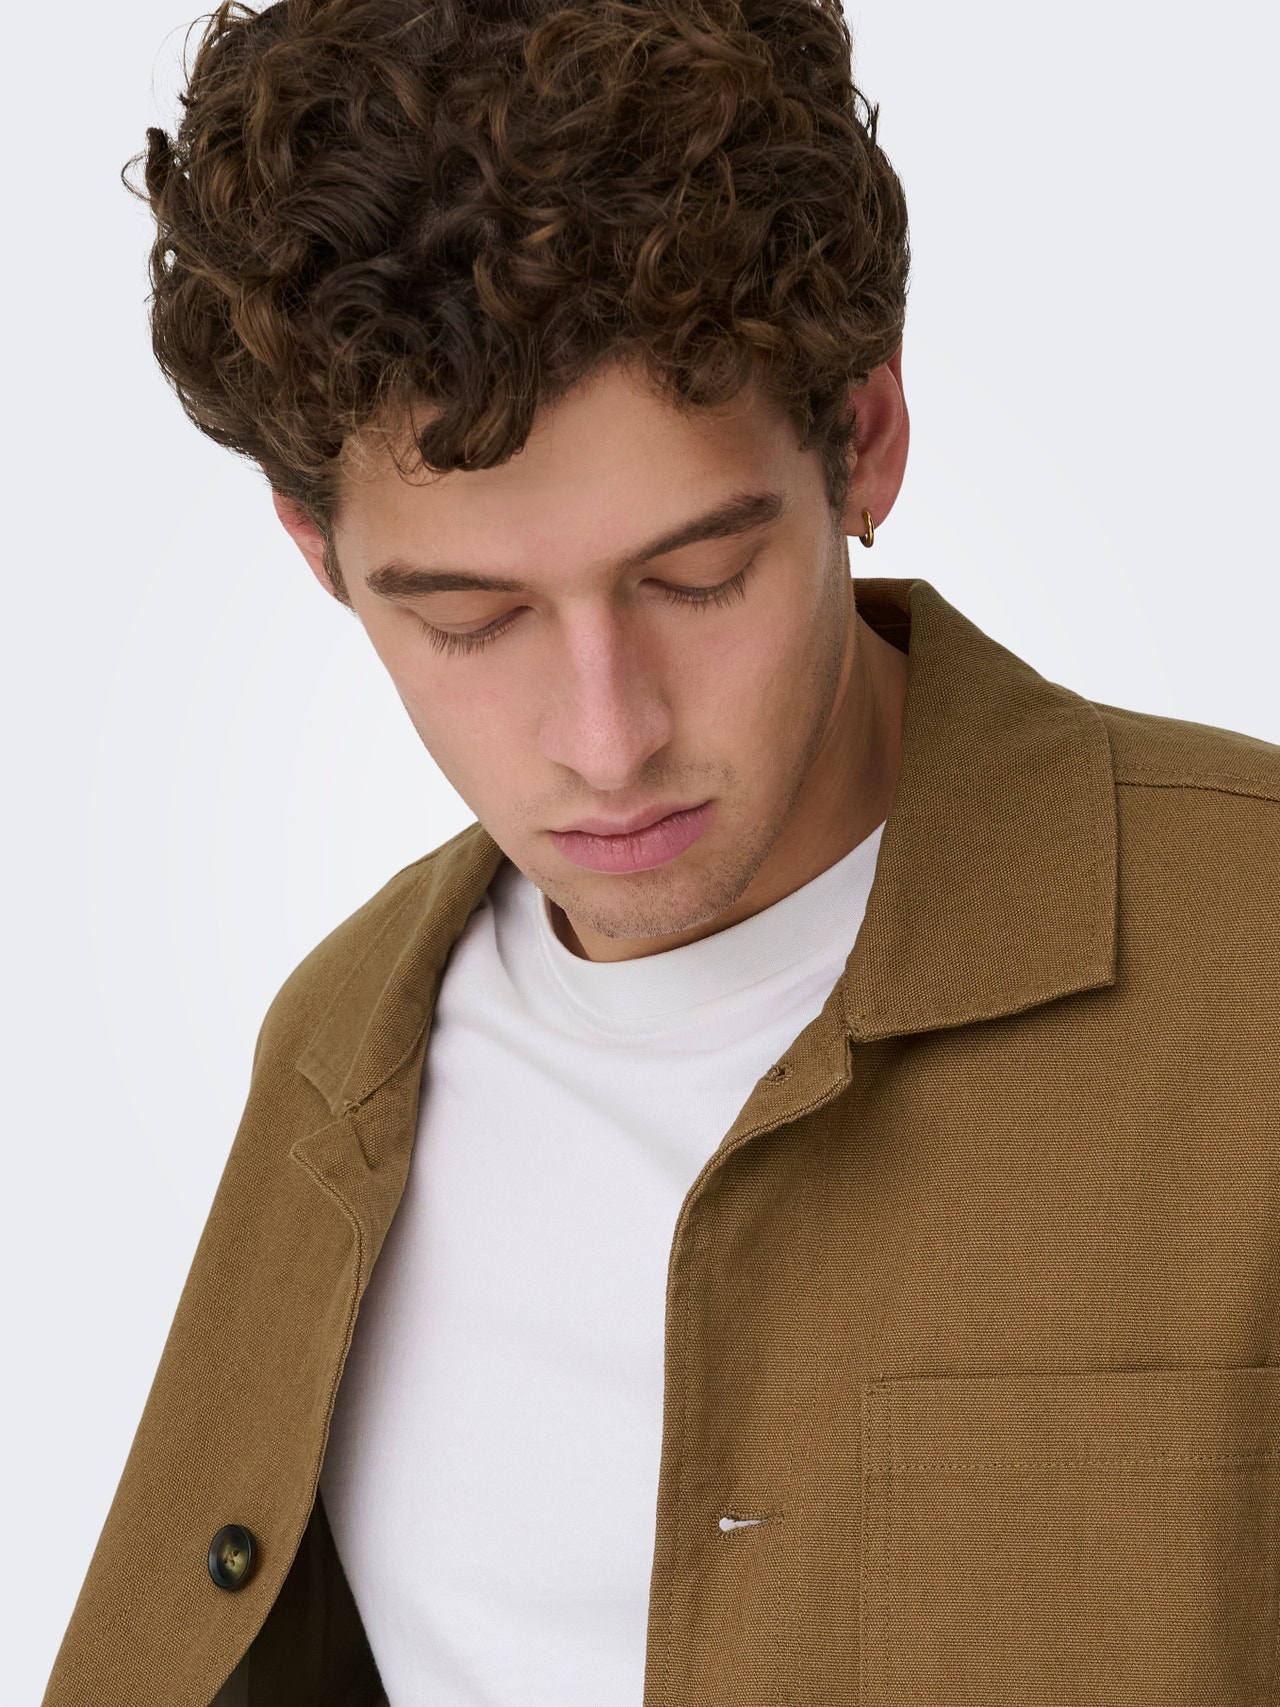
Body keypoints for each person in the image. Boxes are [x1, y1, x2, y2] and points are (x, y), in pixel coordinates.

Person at [43, 0, 1280, 1702]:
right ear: (319, 557)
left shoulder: (1251, 959)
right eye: (470, 619)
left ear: (866, 438)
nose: (606, 737)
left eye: (696, 579)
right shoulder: (341, 1051)